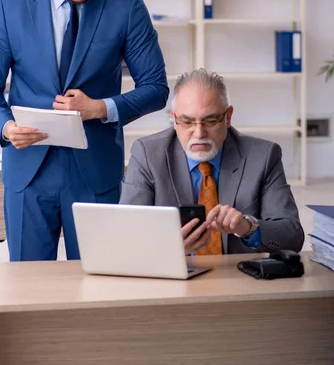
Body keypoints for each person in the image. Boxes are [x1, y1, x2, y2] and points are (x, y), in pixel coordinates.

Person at [0, 0, 169, 261]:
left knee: (98, 287)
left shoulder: (126, 2)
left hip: (95, 171)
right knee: (27, 291)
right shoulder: (10, 3)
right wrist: (5, 127)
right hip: (29, 172)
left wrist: (101, 108)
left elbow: (156, 87)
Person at [120, 69, 304, 255]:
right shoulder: (147, 154)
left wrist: (248, 227)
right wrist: (168, 248)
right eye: (187, 121)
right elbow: (125, 234)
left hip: (237, 277)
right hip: (173, 274)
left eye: (210, 120)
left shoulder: (263, 156)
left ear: (228, 117)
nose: (199, 134)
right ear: (174, 119)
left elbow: (292, 237)